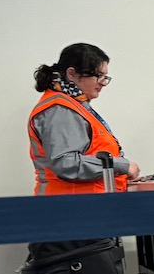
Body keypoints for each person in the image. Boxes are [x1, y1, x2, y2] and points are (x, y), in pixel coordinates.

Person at [28, 43, 140, 193]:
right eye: (98, 76)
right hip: (71, 207)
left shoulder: (75, 106)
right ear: (72, 74)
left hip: (84, 205)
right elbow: (67, 164)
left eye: (105, 77)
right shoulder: (60, 110)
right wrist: (121, 166)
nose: (103, 83)